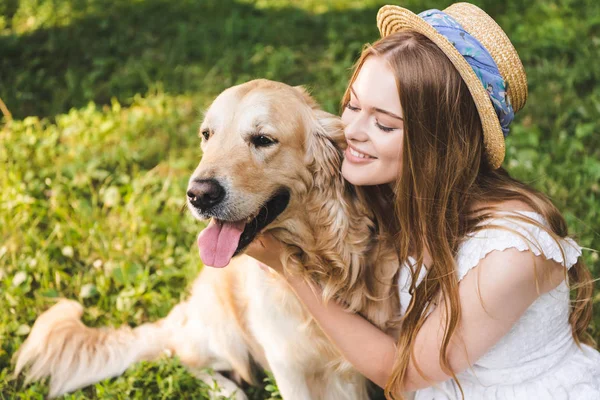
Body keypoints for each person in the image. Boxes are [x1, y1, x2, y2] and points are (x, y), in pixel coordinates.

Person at [243, 3, 600, 399]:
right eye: (353, 105)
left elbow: (402, 373)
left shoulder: (510, 252)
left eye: (383, 123)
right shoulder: (392, 194)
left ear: (440, 143)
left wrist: (289, 268)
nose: (352, 131)